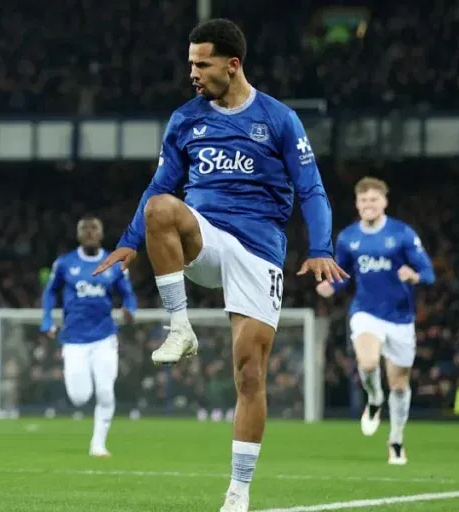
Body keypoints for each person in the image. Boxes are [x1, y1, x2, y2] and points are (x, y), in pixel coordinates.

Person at [93, 19, 347, 512]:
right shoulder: (185, 120)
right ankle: (179, 326)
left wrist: (322, 247)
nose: (192, 72)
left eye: (201, 63)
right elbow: (157, 186)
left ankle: (238, 490)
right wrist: (129, 242)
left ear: (232, 65)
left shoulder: (278, 119)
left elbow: (312, 189)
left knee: (249, 373)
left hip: (258, 251)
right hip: (204, 239)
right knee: (161, 207)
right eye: (190, 63)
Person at [316, 177, 434, 465]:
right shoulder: (347, 238)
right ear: (357, 204)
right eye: (363, 200)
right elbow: (343, 273)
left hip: (401, 318)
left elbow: (428, 272)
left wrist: (414, 276)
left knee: (399, 383)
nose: (368, 204)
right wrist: (332, 285)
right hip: (366, 311)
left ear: (384, 202)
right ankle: (374, 398)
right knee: (367, 363)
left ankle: (396, 439)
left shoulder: (402, 234)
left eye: (374, 199)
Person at [41, 216, 137, 457]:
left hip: (105, 336)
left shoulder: (113, 264)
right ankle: (80, 389)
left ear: (101, 234)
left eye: (94, 229)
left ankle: (98, 444)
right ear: (79, 235)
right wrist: (47, 319)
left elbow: (128, 295)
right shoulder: (65, 264)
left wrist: (130, 309)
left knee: (105, 392)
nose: (90, 233)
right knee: (79, 397)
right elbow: (50, 293)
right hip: (74, 338)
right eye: (85, 229)